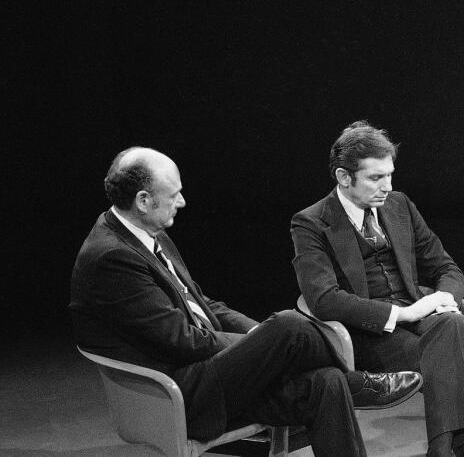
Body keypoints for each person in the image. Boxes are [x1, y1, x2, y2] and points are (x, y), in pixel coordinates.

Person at [71, 147, 422, 457]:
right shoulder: (112, 258)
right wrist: (266, 343)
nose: (182, 202)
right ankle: (360, 382)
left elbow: (204, 304)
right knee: (288, 325)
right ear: (144, 200)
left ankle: (346, 380)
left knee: (325, 380)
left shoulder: (147, 233)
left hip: (214, 373)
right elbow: (181, 340)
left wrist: (263, 340)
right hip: (180, 392)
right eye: (174, 195)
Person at [291, 121, 464, 457]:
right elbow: (322, 299)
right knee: (452, 345)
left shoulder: (399, 205)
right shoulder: (311, 222)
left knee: (452, 322)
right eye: (376, 178)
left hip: (424, 322)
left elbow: (445, 267)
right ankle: (451, 450)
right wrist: (403, 313)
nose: (387, 186)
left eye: (390, 175)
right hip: (367, 337)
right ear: (343, 177)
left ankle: (442, 448)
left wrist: (446, 299)